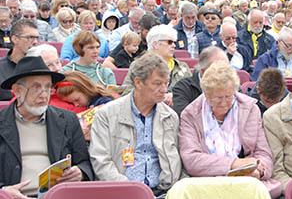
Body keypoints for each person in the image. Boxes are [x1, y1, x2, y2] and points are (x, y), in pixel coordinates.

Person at [178, 60, 281, 198]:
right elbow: (191, 160)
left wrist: (259, 170)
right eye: (218, 98)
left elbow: (263, 152)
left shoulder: (250, 109)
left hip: (247, 180)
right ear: (206, 95)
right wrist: (235, 164)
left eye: (228, 96)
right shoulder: (190, 114)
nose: (224, 103)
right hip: (206, 181)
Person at [89, 54, 183, 197]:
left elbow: (178, 160)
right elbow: (101, 161)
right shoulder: (107, 114)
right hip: (121, 191)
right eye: (157, 84)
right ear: (138, 83)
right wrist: (130, 189)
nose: (164, 89)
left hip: (163, 191)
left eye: (166, 83)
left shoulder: (170, 117)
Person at [0, 56, 93, 197]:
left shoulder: (67, 120)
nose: (44, 95)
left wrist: (81, 172)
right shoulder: (2, 122)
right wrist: (3, 192)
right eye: (36, 87)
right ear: (17, 91)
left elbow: (84, 162)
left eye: (48, 87)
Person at [143, 24, 191, 106]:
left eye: (174, 42)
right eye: (169, 42)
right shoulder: (140, 66)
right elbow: (129, 92)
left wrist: (174, 95)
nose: (174, 45)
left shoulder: (182, 67)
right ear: (156, 44)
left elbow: (192, 92)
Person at [172, 46, 229, 116]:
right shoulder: (183, 88)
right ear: (203, 71)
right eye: (218, 70)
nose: (224, 74)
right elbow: (184, 116)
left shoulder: (232, 85)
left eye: (227, 69)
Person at [0, 19, 40, 101]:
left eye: (37, 38)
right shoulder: (1, 68)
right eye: (30, 37)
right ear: (15, 39)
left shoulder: (43, 65)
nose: (35, 42)